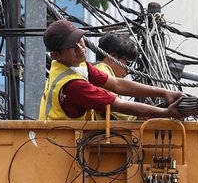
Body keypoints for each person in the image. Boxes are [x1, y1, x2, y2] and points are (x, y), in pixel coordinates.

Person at [39, 19, 183, 121]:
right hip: (58, 146)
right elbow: (118, 105)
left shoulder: (74, 66)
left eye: (80, 40)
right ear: (56, 55)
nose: (80, 48)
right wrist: (165, 112)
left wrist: (165, 92)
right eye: (72, 46)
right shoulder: (73, 85)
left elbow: (116, 84)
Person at [95, 32, 139, 120]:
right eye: (128, 63)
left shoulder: (98, 70)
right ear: (112, 58)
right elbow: (114, 107)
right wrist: (137, 116)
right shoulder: (102, 70)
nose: (128, 69)